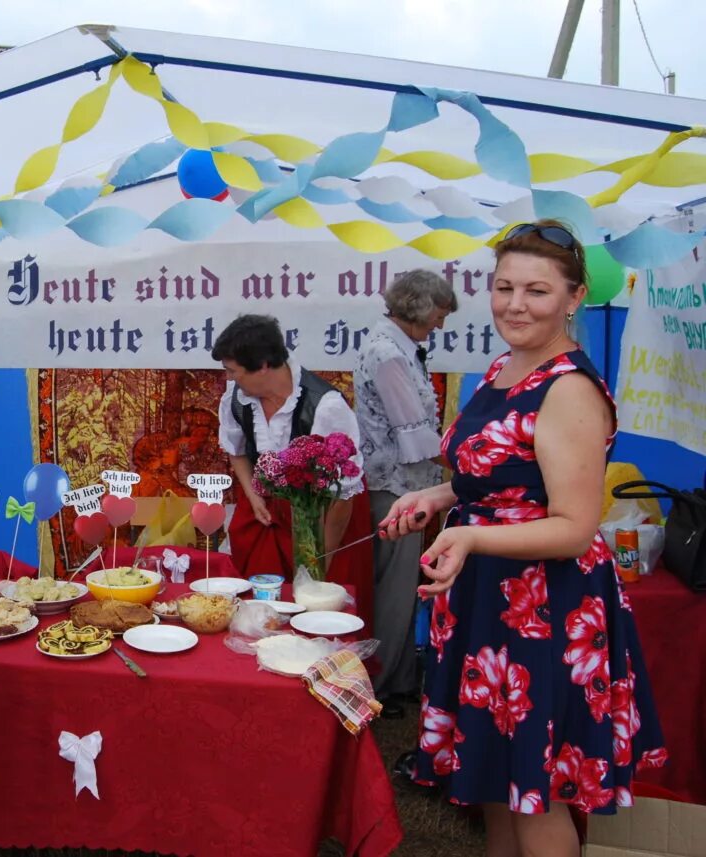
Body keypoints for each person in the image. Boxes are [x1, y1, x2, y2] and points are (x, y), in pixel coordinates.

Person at [380, 220, 666, 855]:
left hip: (543, 609)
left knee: (532, 792)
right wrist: (437, 495)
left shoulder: (568, 388)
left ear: (574, 298)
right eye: (504, 286)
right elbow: (494, 476)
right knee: (496, 785)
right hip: (487, 603)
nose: (515, 303)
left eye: (537, 290)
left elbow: (573, 528)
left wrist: (475, 541)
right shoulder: (502, 367)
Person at [353, 270, 457, 718]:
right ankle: (384, 683)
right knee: (394, 590)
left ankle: (391, 677)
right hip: (397, 488)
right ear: (419, 307)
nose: (441, 322)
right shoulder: (388, 352)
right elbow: (413, 434)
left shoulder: (395, 346)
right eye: (439, 312)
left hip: (402, 485)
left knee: (395, 586)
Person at [212, 314, 369, 582]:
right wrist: (253, 495)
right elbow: (236, 450)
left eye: (233, 370)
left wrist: (322, 555)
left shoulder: (325, 406)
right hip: (267, 515)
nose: (228, 377)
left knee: (318, 602)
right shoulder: (237, 399)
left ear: (262, 366)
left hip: (324, 517)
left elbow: (345, 495)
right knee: (258, 598)